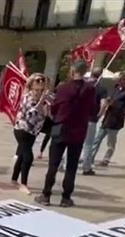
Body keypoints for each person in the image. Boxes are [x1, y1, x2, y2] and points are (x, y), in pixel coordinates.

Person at [35, 60, 96, 208]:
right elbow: (93, 110)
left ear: (72, 70)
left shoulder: (63, 87)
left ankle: (46, 194)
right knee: (72, 166)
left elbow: (55, 109)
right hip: (78, 130)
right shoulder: (90, 89)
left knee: (53, 164)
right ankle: (66, 197)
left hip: (59, 126)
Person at [83, 70, 125, 171]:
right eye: (119, 79)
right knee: (97, 139)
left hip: (116, 119)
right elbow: (110, 98)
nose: (119, 81)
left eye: (121, 80)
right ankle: (91, 157)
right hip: (108, 117)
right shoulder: (116, 88)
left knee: (110, 142)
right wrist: (107, 102)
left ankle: (106, 159)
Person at [12, 73, 51, 194]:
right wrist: (42, 100)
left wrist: (49, 107)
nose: (40, 84)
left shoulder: (45, 99)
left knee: (23, 155)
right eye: (37, 81)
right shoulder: (27, 96)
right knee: (28, 156)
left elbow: (47, 115)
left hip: (33, 132)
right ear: (31, 84)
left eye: (42, 82)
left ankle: (14, 179)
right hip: (22, 129)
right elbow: (31, 114)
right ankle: (23, 184)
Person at [80, 68, 109, 176]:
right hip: (91, 119)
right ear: (100, 75)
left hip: (79, 118)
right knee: (88, 144)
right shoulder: (101, 88)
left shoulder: (83, 85)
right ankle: (86, 167)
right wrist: (100, 114)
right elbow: (104, 104)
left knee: (73, 142)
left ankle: (62, 163)